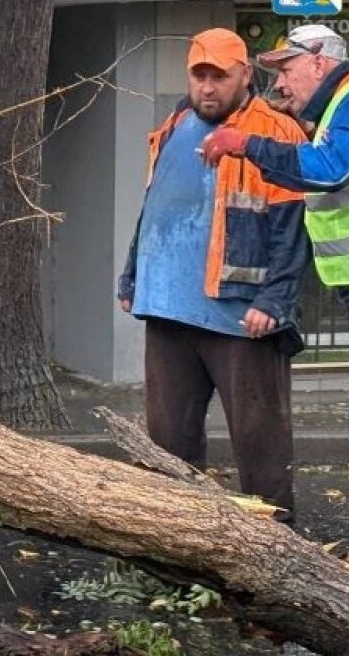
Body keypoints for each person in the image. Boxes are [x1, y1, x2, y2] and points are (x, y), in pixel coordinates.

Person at [119, 28, 310, 523]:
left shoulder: (274, 131)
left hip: (241, 317)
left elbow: (293, 227)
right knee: (169, 445)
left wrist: (274, 301)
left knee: (261, 444)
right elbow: (156, 206)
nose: (208, 87)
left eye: (218, 77)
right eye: (199, 75)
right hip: (167, 309)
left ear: (245, 74)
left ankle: (277, 552)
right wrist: (132, 277)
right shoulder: (177, 122)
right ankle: (179, 547)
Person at [202, 24, 349, 537]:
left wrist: (247, 143)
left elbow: (331, 171)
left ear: (320, 61)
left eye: (288, 66)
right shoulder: (332, 113)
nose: (281, 80)